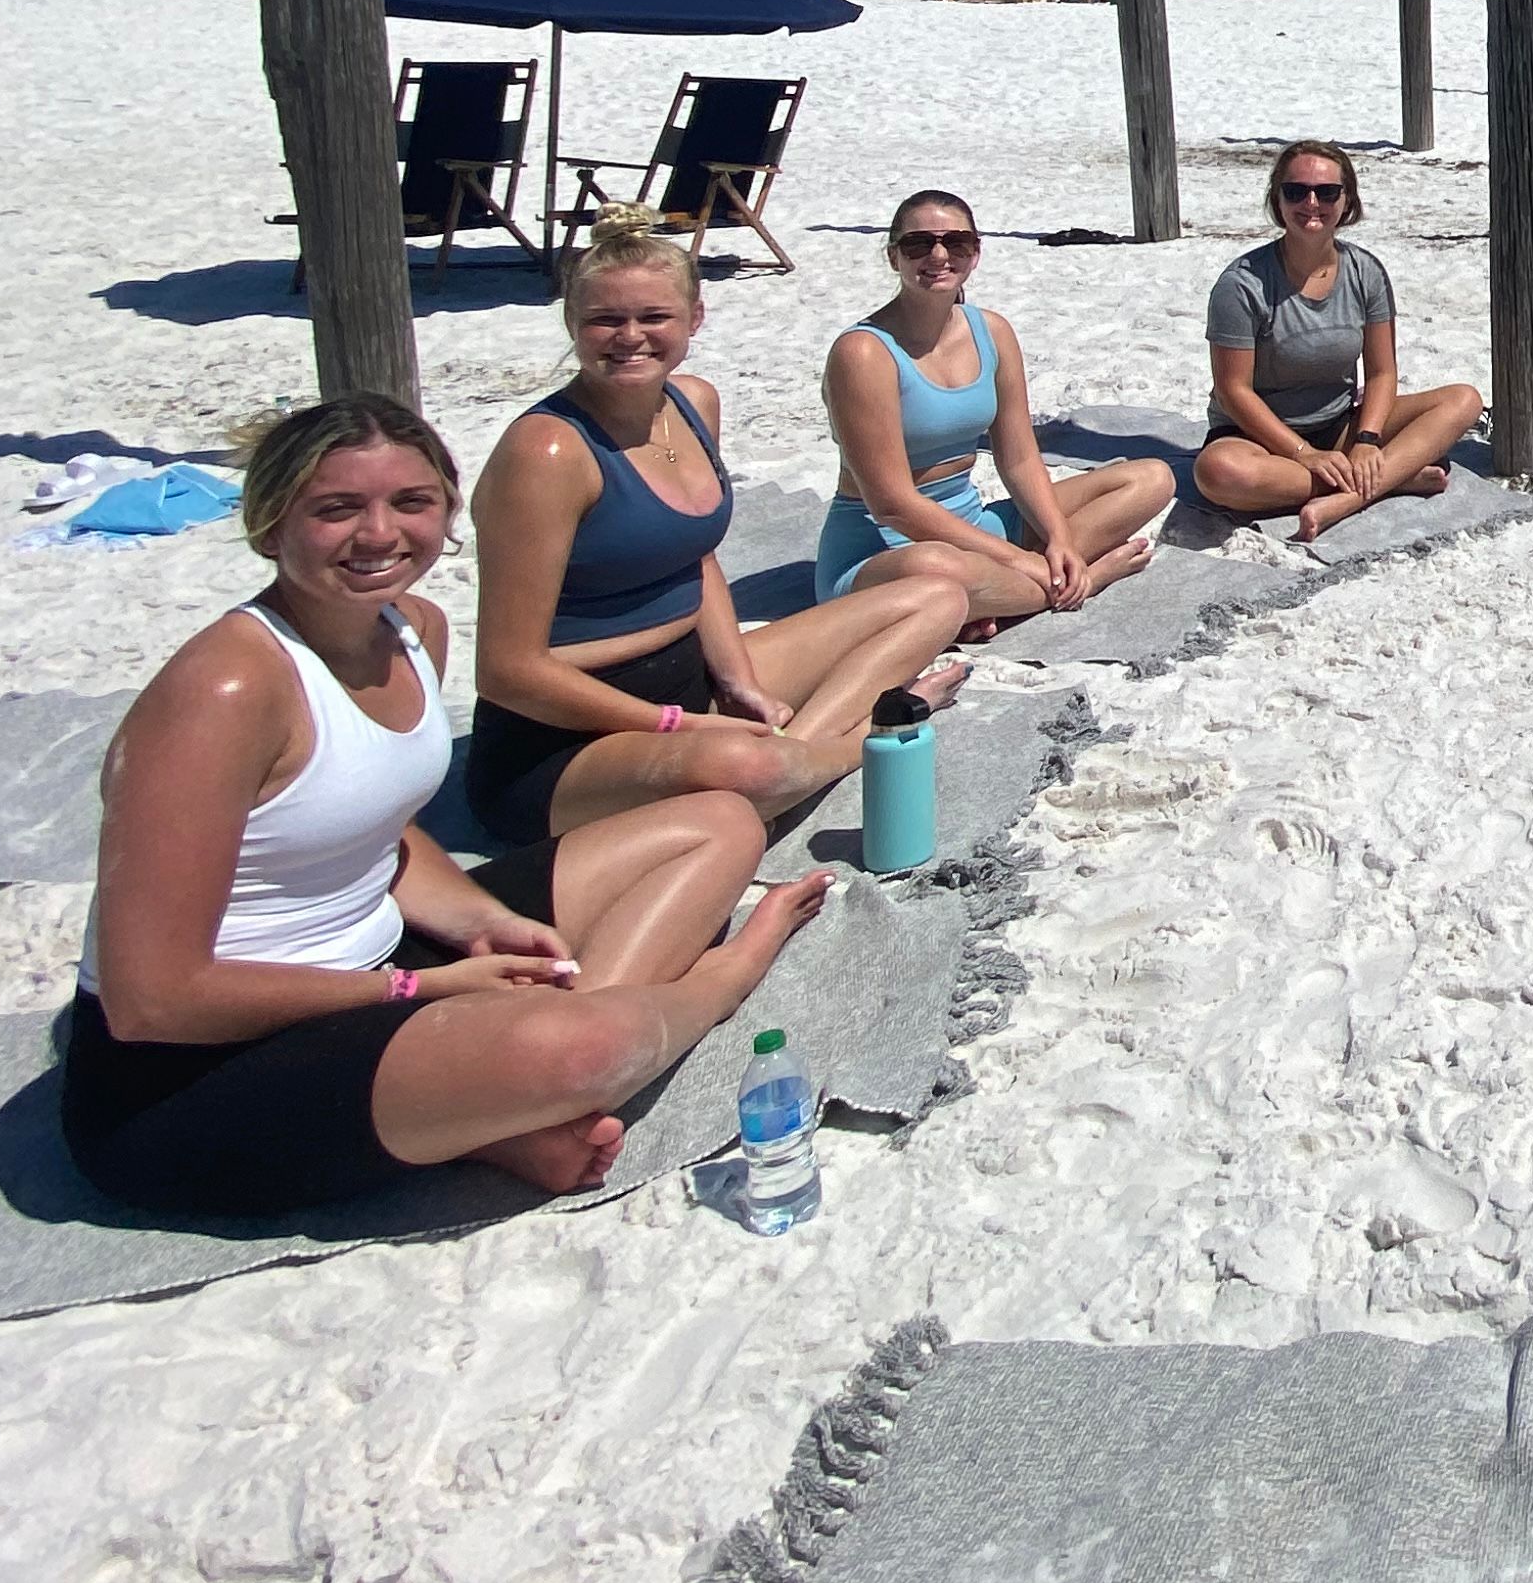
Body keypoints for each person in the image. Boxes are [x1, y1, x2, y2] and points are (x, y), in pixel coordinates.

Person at [67, 394, 830, 1214]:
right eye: (336, 510)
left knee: (717, 819)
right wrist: (418, 993)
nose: (379, 535)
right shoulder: (227, 691)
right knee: (584, 1046)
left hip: (384, 956)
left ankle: (497, 1098)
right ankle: (712, 986)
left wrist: (476, 922)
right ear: (268, 528)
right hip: (203, 1064)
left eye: (411, 503)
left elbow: (378, 830)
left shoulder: (412, 628)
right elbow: (155, 999)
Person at [467, 210, 969, 843]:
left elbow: (695, 556)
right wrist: (676, 725)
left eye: (654, 318)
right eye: (604, 320)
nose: (629, 338)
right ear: (572, 323)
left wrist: (738, 683)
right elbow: (508, 672)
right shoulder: (548, 453)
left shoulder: (693, 402)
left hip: (689, 678)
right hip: (567, 738)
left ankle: (794, 750)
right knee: (751, 768)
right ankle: (852, 744)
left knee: (936, 598)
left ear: (693, 319)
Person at [820, 189, 1174, 619]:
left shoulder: (992, 331)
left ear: (975, 253)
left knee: (1152, 478)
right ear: (893, 257)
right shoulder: (863, 353)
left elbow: (1020, 457)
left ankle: (1011, 591)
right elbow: (892, 504)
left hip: (973, 524)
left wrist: (1059, 537)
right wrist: (1018, 560)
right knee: (937, 566)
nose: (938, 255)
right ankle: (1084, 580)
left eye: (956, 243)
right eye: (918, 244)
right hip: (887, 547)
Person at [1193, 142, 1489, 538]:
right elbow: (1234, 392)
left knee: (1463, 400)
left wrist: (1367, 440)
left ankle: (1352, 495)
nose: (1311, 203)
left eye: (1327, 192)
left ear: (1346, 200)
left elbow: (1382, 373)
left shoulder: (1365, 272)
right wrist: (1305, 454)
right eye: (1295, 191)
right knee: (1217, 474)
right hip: (1258, 439)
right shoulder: (1242, 284)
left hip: (1340, 426)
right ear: (1277, 199)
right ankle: (1392, 478)